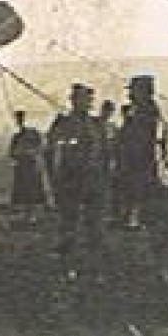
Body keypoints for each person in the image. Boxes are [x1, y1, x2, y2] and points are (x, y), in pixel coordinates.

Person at [118, 75, 168, 286]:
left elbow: (146, 151)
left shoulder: (147, 120)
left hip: (151, 181)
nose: (129, 95)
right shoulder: (151, 117)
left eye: (133, 91)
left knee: (161, 229)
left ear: (142, 93)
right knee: (160, 229)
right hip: (157, 180)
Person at [45, 84, 107, 282]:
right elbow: (52, 152)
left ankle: (95, 268)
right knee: (69, 226)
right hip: (70, 182)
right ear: (73, 100)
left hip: (95, 182)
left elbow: (106, 153)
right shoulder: (62, 124)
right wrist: (55, 181)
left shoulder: (98, 125)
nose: (86, 103)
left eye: (88, 100)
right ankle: (68, 267)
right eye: (81, 99)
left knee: (95, 228)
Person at [7, 110, 48, 225]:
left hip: (30, 165)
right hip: (22, 165)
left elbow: (39, 147)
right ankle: (27, 214)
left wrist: (31, 153)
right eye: (18, 119)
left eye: (20, 118)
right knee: (24, 191)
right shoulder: (17, 136)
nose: (19, 121)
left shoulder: (32, 132)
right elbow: (11, 152)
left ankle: (32, 214)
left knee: (31, 190)